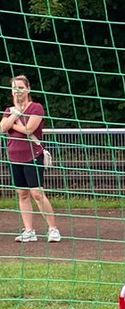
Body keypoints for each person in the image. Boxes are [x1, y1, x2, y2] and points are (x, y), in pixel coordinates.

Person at [2, 75, 60, 243]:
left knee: (37, 193)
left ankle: (53, 228)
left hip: (33, 155)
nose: (17, 91)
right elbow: (2, 128)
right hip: (15, 156)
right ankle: (29, 230)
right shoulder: (9, 110)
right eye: (14, 88)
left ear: (28, 89)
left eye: (20, 87)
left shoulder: (36, 108)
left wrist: (12, 123)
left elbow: (29, 129)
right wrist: (15, 114)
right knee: (22, 193)